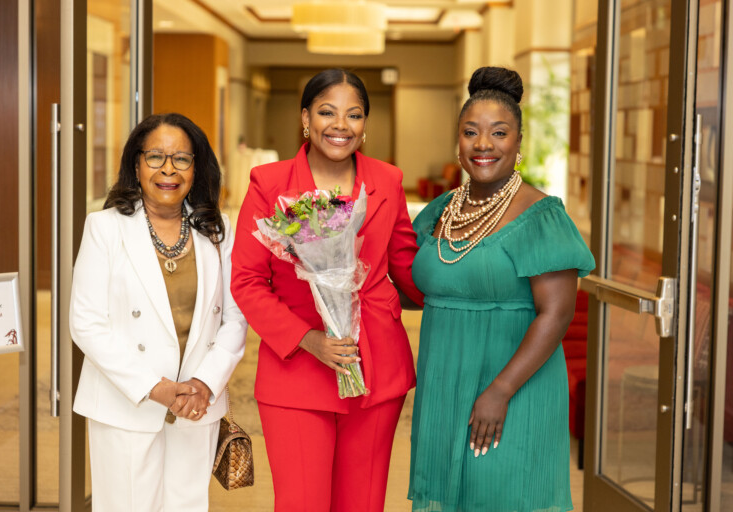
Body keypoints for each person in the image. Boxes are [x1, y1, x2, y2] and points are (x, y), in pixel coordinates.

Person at [231, 68, 423, 512]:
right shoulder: (269, 182)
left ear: (365, 124)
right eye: (326, 112)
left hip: (375, 366)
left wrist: (468, 277)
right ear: (305, 118)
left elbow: (406, 264)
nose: (340, 125)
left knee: (364, 502)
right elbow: (247, 279)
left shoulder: (388, 180)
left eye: (353, 115)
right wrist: (306, 339)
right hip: (297, 369)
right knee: (302, 502)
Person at [407, 67, 595, 512]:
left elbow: (557, 313)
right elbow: (413, 287)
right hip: (444, 382)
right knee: (452, 495)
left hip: (513, 384)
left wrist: (501, 391)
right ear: (458, 140)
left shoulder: (540, 215)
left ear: (518, 143)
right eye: (471, 132)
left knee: (504, 493)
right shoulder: (441, 211)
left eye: (499, 132)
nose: (483, 144)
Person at [69, 113, 248, 512]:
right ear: (136, 165)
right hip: (127, 402)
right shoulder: (105, 228)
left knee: (187, 505)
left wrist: (205, 382)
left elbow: (235, 318)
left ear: (197, 167)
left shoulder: (217, 231)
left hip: (196, 403)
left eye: (182, 159)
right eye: (155, 157)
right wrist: (156, 388)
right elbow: (86, 323)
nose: (168, 169)